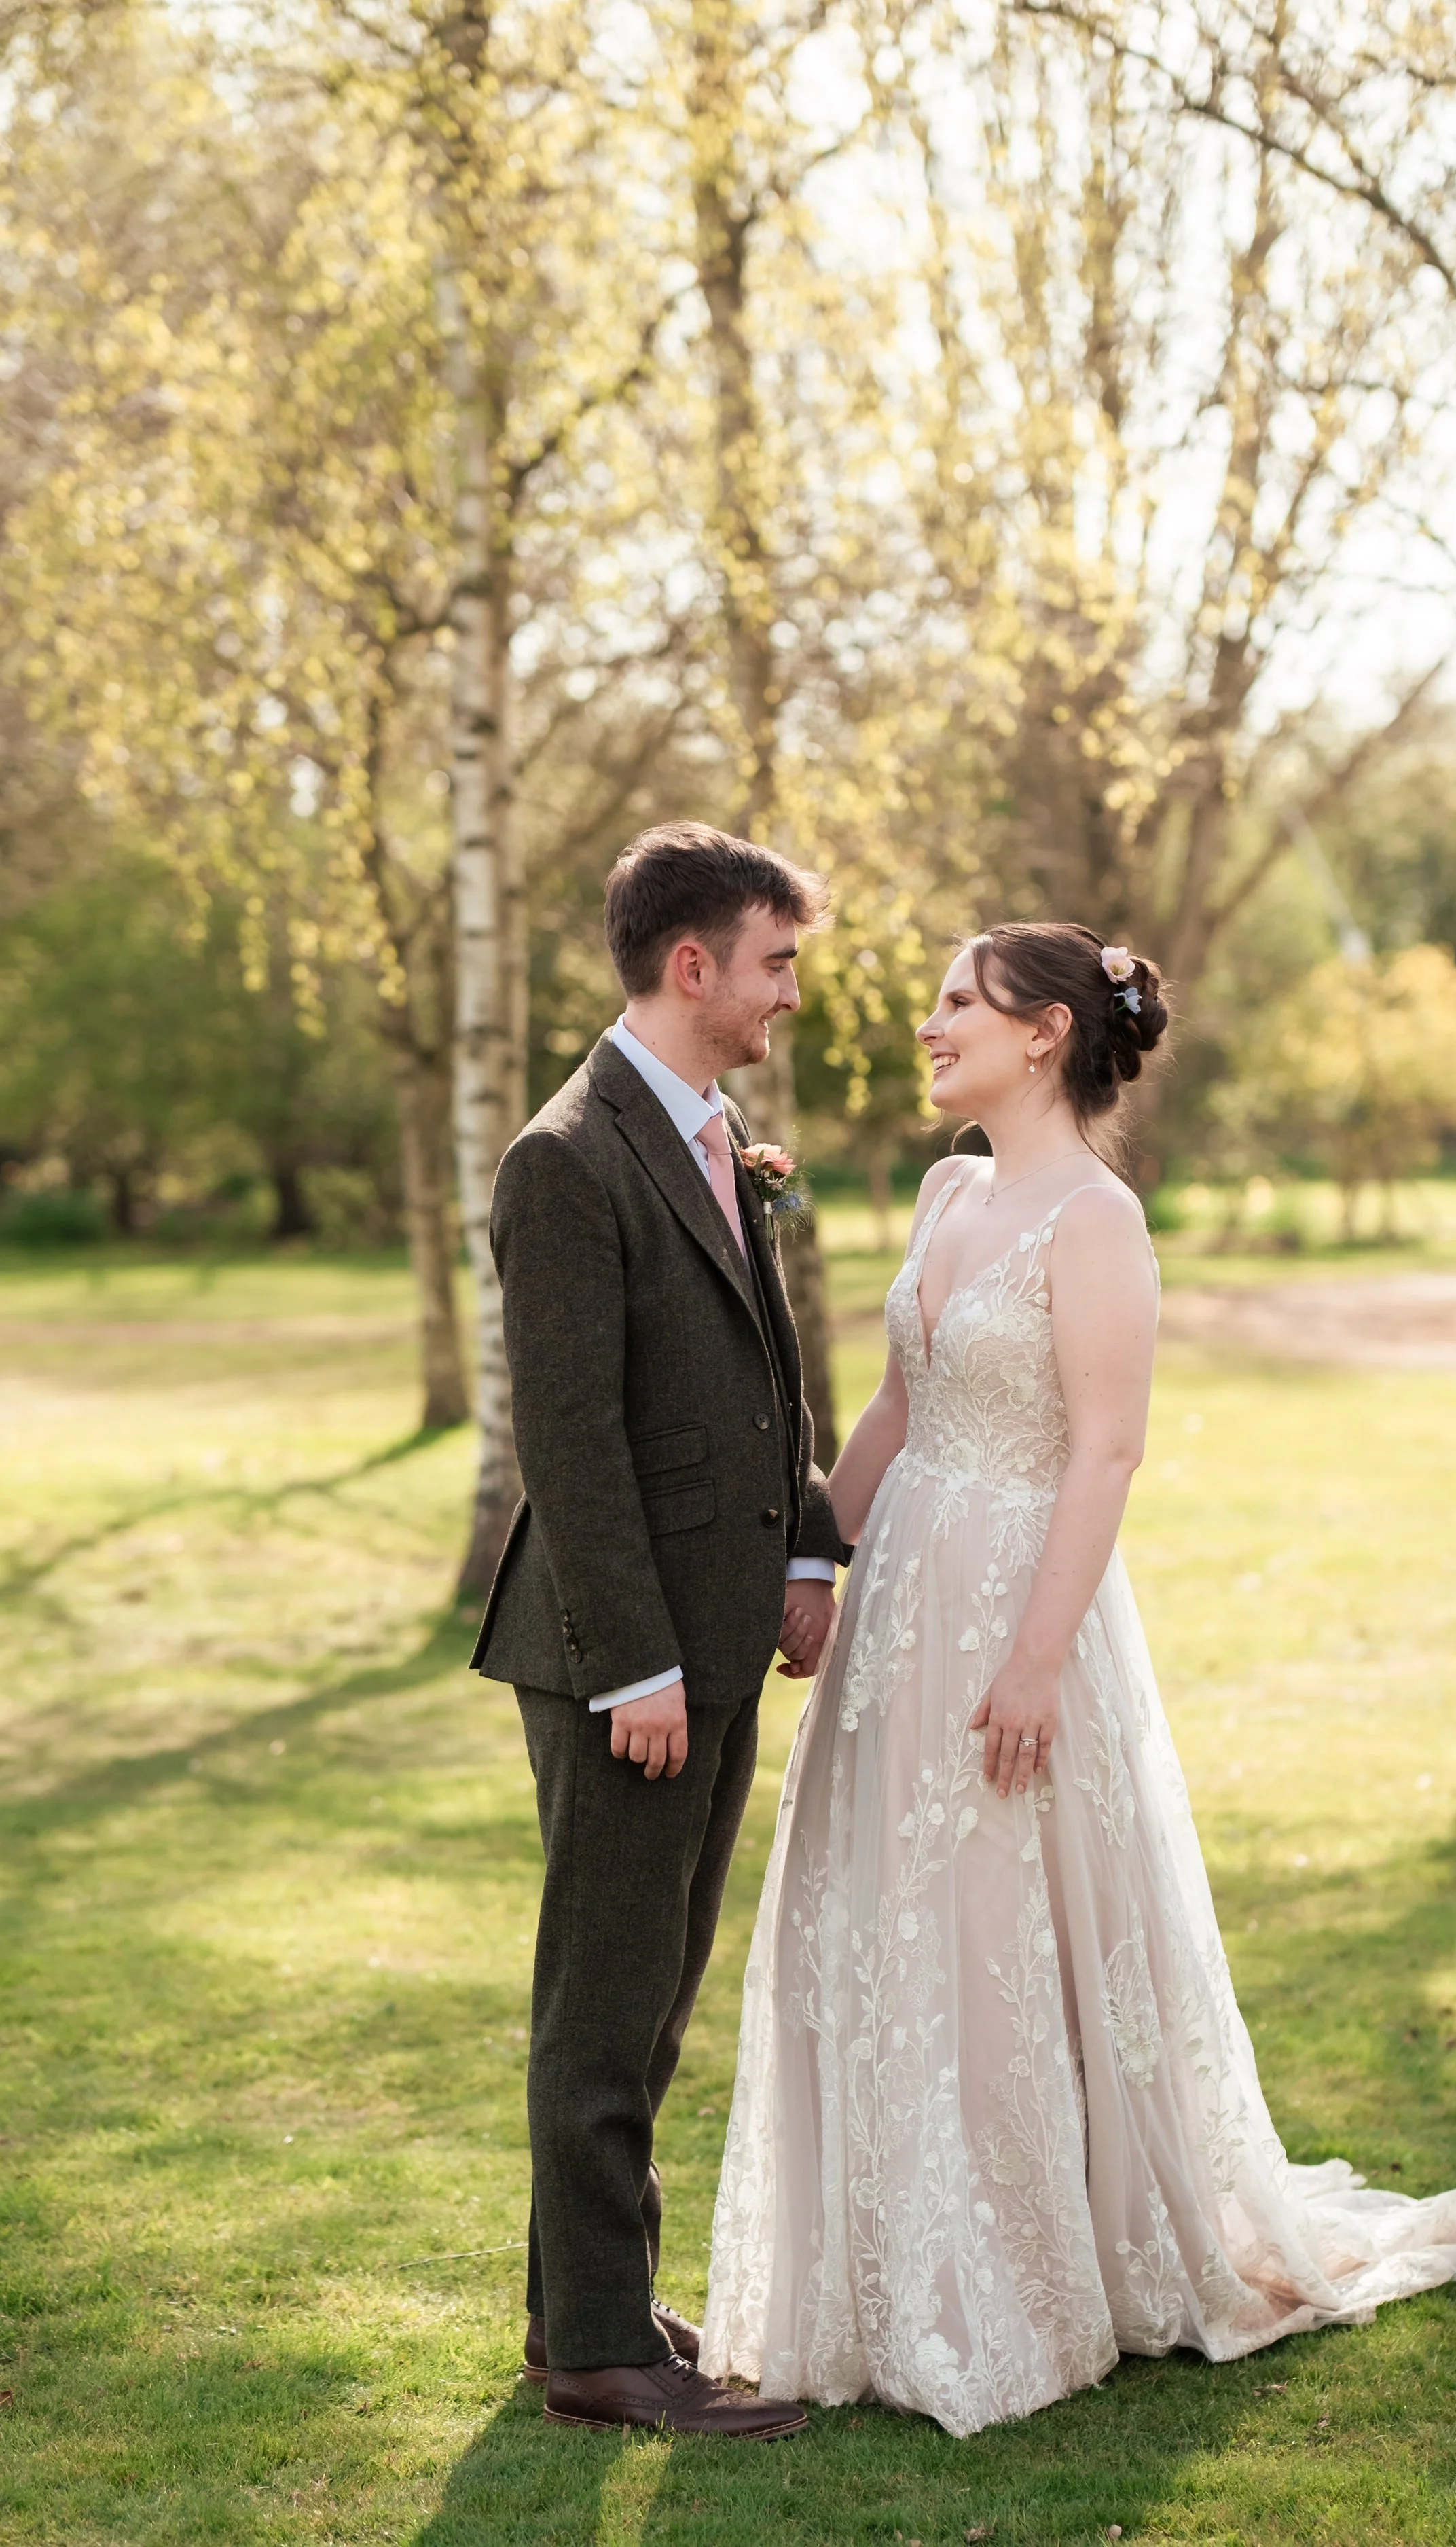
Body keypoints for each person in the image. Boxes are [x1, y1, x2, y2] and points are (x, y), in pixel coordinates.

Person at [702, 920, 1456, 2438]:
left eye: (960, 1002)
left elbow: (1106, 1449)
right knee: (887, 1916)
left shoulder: (1095, 1223)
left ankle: (1028, 2266)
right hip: (900, 1599)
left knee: (1003, 1922)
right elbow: (891, 1402)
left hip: (1022, 1598)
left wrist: (1029, 1659)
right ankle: (886, 2263)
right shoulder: (950, 1190)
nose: (930, 1024)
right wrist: (812, 1558)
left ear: (1045, 1035)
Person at [471, 820, 849, 2440]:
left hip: (708, 1637)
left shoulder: (710, 1128)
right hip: (624, 1663)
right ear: (689, 965)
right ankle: (603, 2358)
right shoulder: (567, 1156)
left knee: (653, 1986)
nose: (785, 999)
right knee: (605, 1998)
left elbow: (766, 1367)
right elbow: (570, 1439)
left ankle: (587, 2311)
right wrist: (635, 1664)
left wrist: (808, 1543)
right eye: (773, 966)